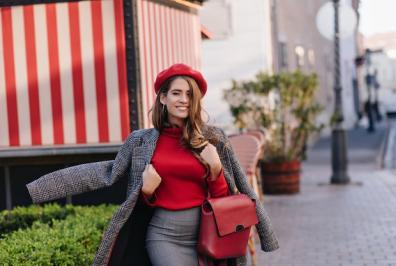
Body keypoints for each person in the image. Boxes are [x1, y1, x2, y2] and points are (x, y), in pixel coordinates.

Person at [26, 63, 279, 266]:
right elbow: (107, 173)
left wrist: (215, 170)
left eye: (190, 94)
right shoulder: (141, 141)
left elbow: (233, 194)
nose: (184, 100)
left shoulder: (214, 139)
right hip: (164, 236)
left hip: (210, 233)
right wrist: (147, 190)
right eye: (177, 93)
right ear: (162, 98)